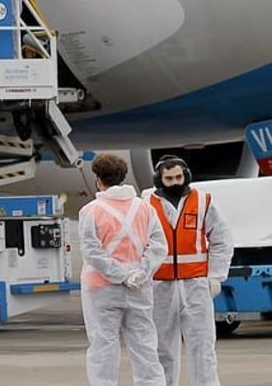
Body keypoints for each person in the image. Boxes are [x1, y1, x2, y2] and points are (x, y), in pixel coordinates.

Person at [78, 154, 167, 386]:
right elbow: (159, 246)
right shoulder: (145, 209)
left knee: (103, 347)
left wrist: (119, 275)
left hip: (101, 289)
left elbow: (91, 252)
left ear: (97, 178)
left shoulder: (91, 211)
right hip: (139, 286)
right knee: (145, 344)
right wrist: (140, 272)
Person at [146, 155, 233, 386]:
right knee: (161, 348)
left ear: (186, 175)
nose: (175, 182)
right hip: (160, 286)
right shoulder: (147, 203)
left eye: (178, 177)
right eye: (169, 178)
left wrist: (215, 275)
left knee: (202, 346)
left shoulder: (203, 201)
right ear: (159, 179)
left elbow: (222, 239)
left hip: (195, 285)